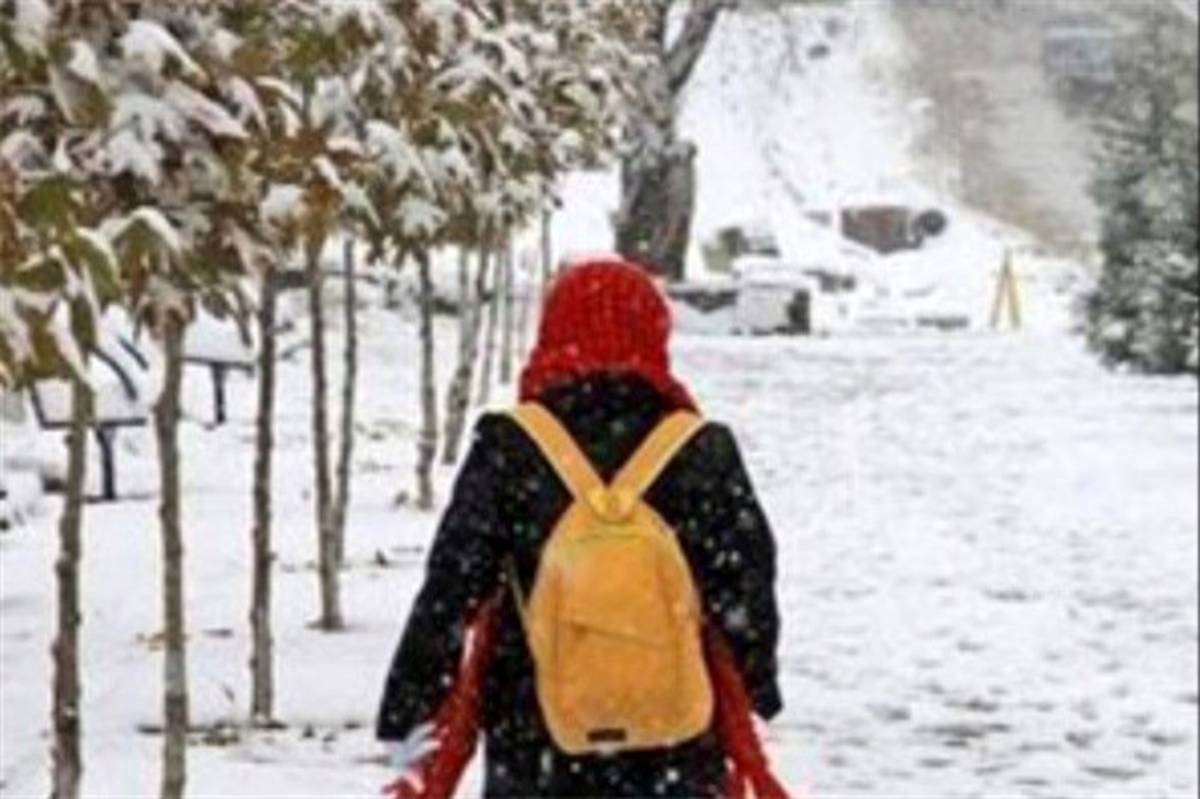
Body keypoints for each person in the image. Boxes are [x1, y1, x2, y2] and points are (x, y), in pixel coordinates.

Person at [376, 258, 785, 798]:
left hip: (537, 732)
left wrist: (411, 702)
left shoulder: (510, 446)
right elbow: (746, 590)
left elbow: (452, 586)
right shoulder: (701, 448)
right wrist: (757, 687)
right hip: (675, 731)